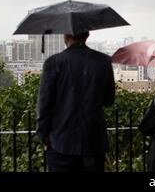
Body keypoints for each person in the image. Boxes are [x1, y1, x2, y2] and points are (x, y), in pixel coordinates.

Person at [36, 31, 115, 172]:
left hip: (61, 144)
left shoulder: (53, 63)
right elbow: (109, 100)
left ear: (66, 36)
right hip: (94, 143)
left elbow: (44, 106)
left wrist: (44, 137)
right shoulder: (103, 61)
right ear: (87, 35)